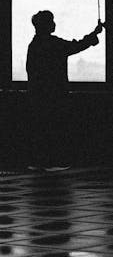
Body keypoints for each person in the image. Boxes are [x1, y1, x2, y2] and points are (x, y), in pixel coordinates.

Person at [25, 10, 102, 170]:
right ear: (47, 25)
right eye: (52, 21)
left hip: (37, 95)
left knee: (41, 128)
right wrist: (93, 35)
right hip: (55, 94)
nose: (54, 24)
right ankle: (55, 161)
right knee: (56, 127)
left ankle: (39, 161)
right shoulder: (52, 44)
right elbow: (75, 46)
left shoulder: (34, 45)